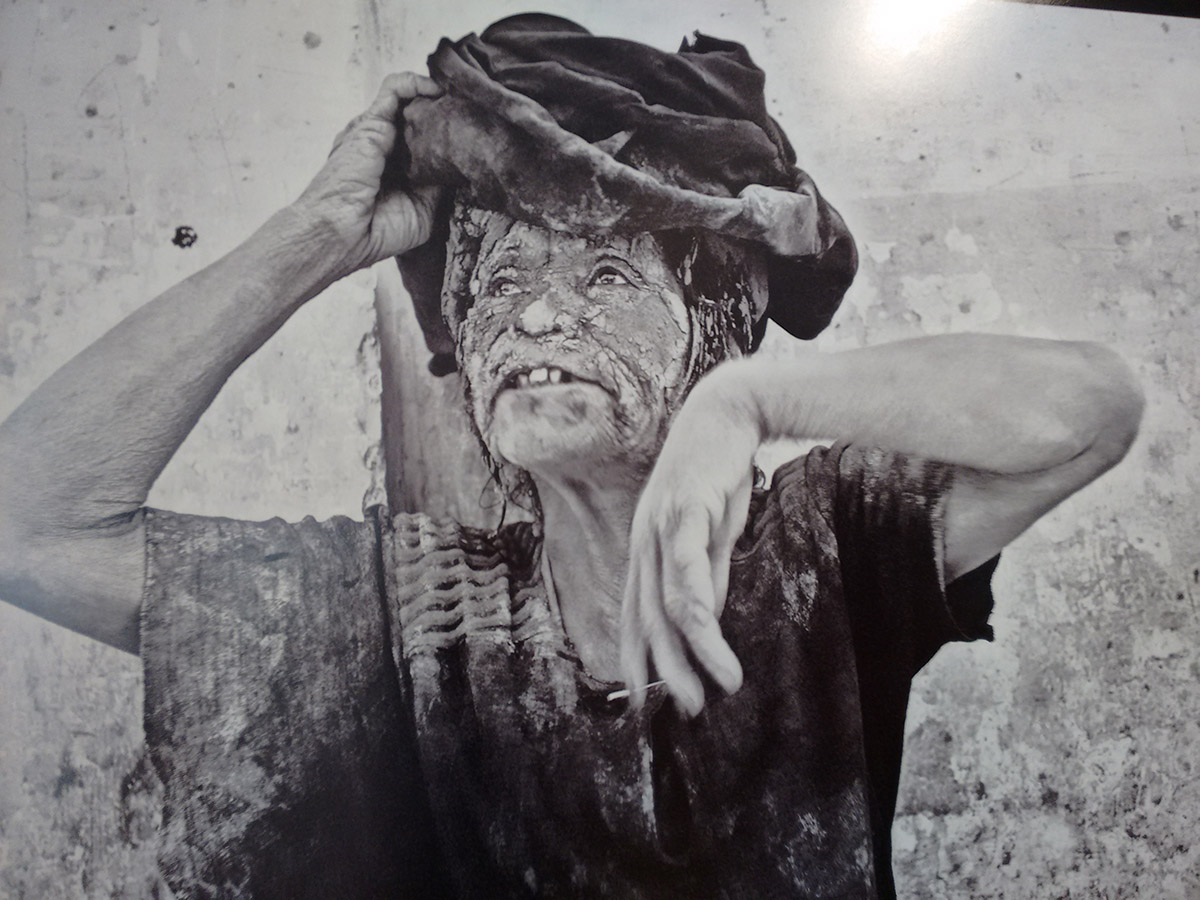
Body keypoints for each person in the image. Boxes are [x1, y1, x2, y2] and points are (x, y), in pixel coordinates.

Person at [0, 14, 1143, 900]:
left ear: (716, 320)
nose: (536, 318)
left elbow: (1092, 406)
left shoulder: (824, 547)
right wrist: (317, 236)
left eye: (601, 275)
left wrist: (752, 404)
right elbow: (25, 526)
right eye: (501, 279)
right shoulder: (408, 610)